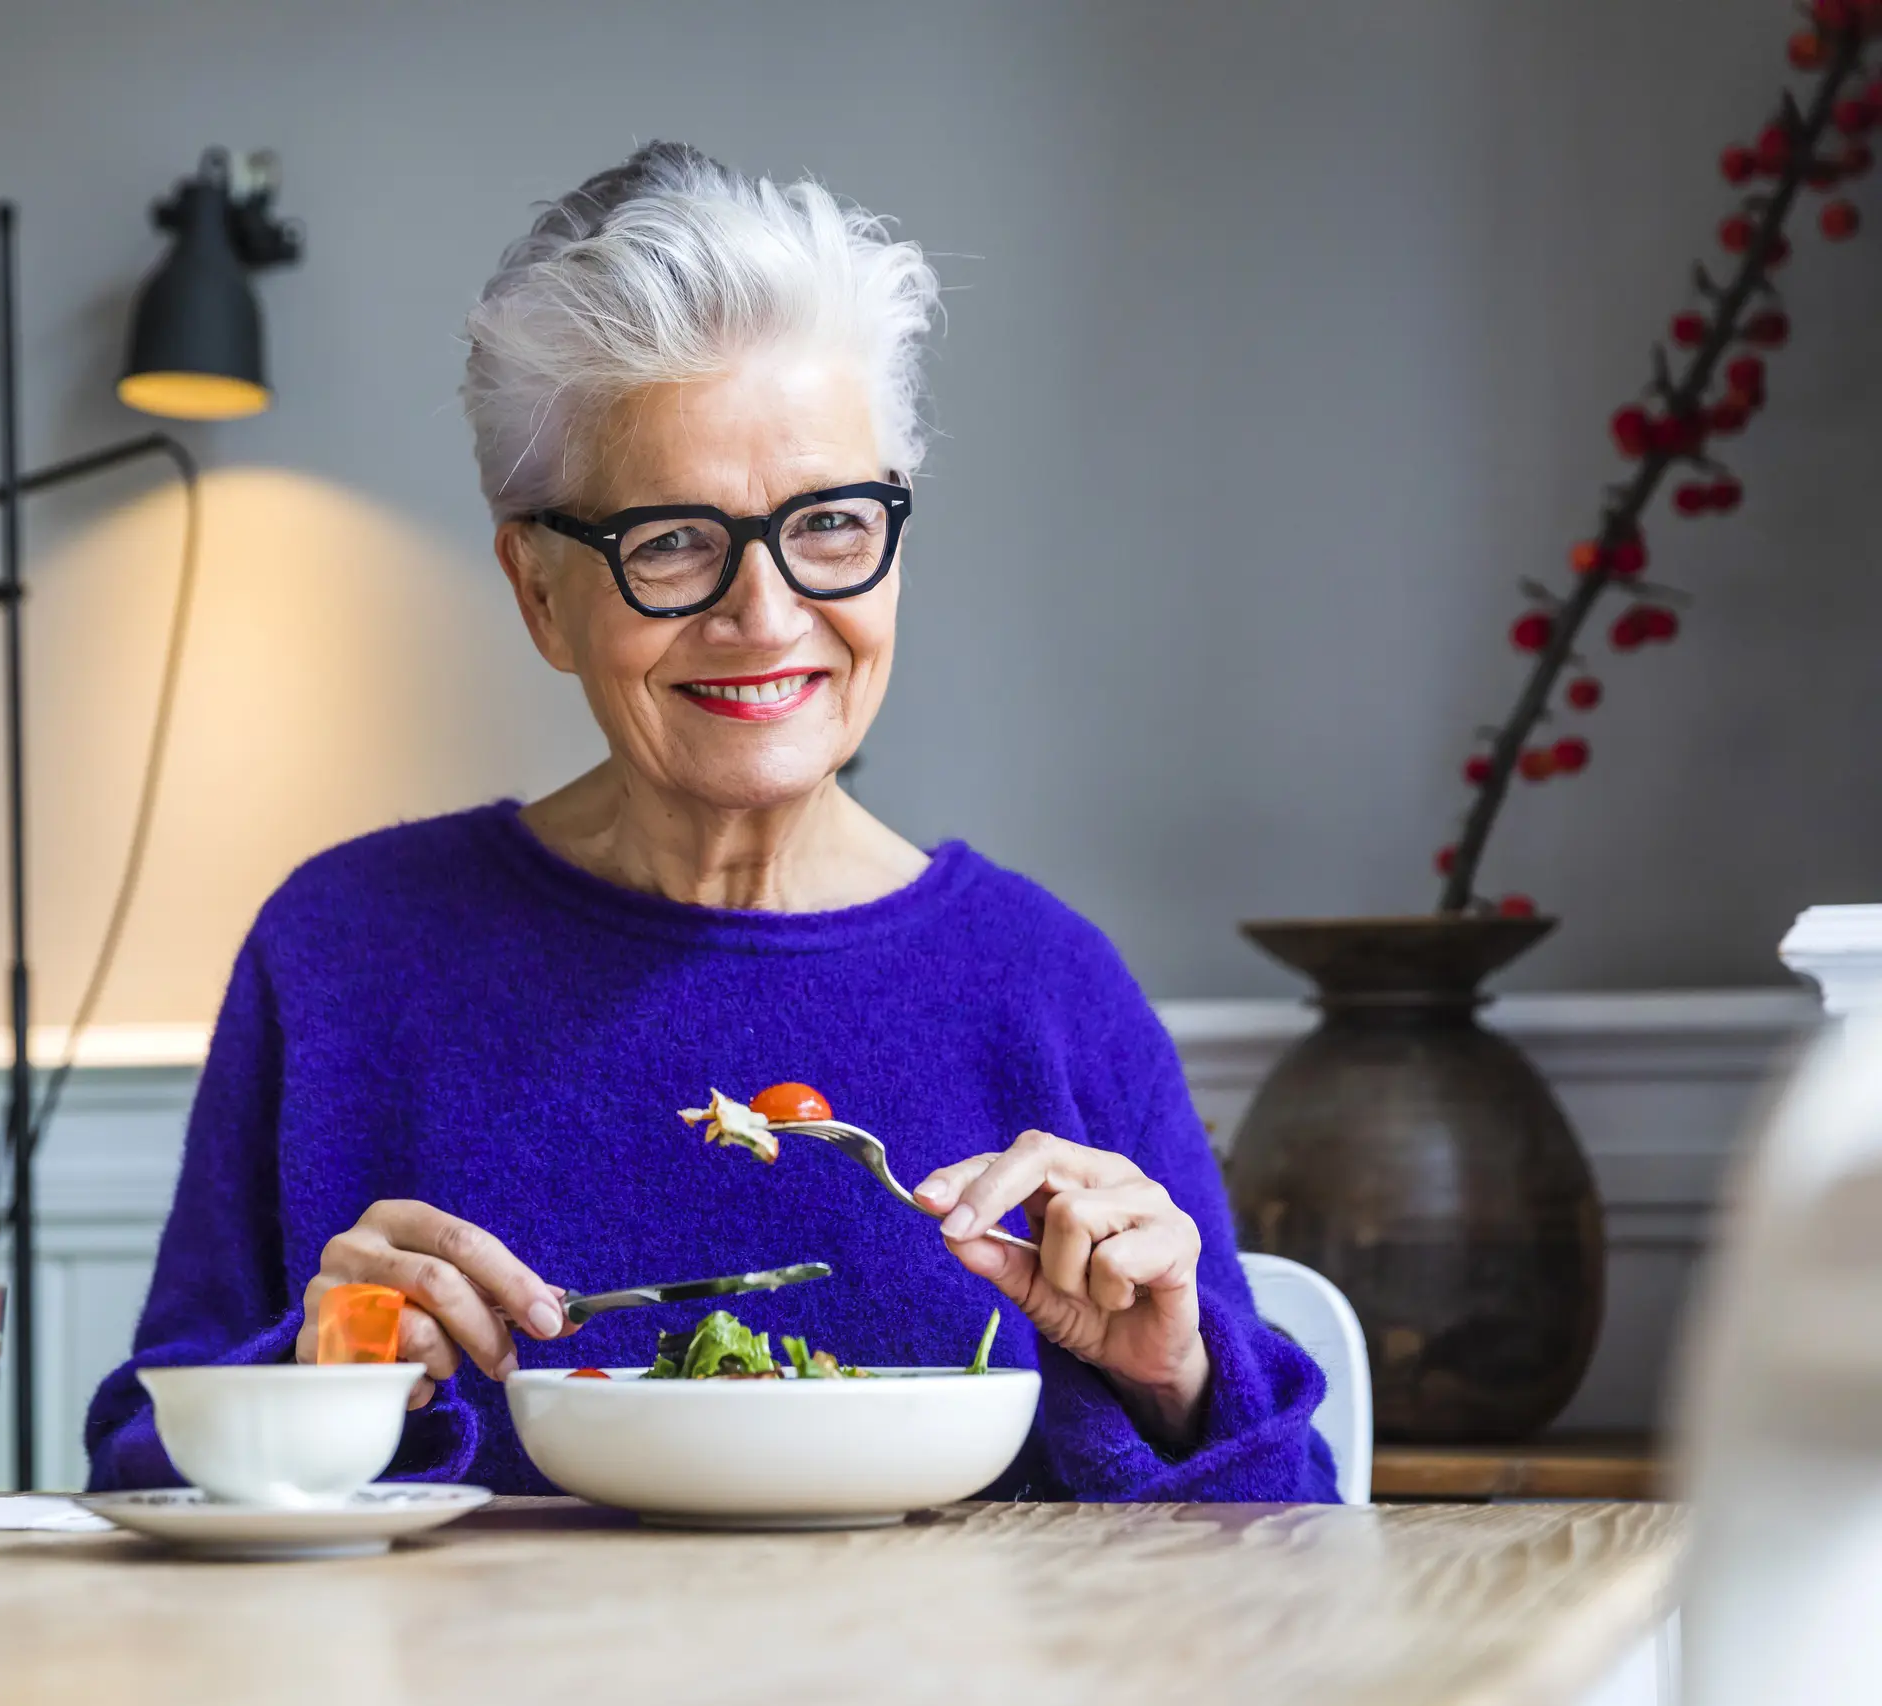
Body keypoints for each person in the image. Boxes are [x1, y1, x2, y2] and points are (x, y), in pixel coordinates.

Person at [87, 142, 1333, 1501]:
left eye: (833, 524)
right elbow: (141, 1477)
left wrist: (1170, 1375)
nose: (768, 612)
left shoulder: (1048, 987)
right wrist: (328, 1372)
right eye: (674, 540)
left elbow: (1284, 1563)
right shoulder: (343, 950)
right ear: (540, 589)